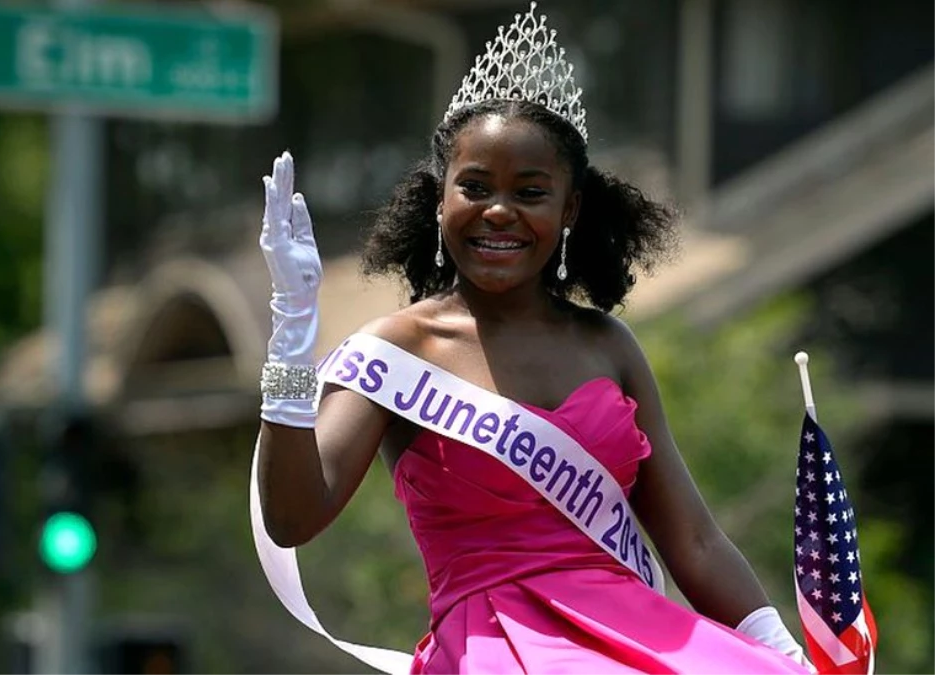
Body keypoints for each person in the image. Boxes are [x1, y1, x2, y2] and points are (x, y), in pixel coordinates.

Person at [253, 3, 813, 673]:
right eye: (475, 187)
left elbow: (692, 539)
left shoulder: (608, 345)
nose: (499, 211)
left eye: (530, 190)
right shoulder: (396, 351)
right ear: (441, 199)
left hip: (638, 639)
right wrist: (291, 333)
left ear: (569, 208)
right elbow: (292, 516)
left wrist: (785, 654)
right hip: (490, 647)